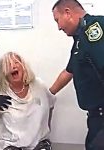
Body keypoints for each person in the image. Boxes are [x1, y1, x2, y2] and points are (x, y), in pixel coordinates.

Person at [50, 0, 104, 150]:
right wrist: (46, 95)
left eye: (57, 20)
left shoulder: (94, 29)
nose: (59, 27)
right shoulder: (80, 39)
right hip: (96, 118)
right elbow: (69, 71)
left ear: (67, 12)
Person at [0, 52, 56, 150]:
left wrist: (46, 129)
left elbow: (51, 104)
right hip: (11, 146)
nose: (13, 67)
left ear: (23, 66)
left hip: (39, 145)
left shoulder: (39, 85)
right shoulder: (1, 95)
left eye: (16, 62)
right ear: (3, 73)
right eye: (8, 65)